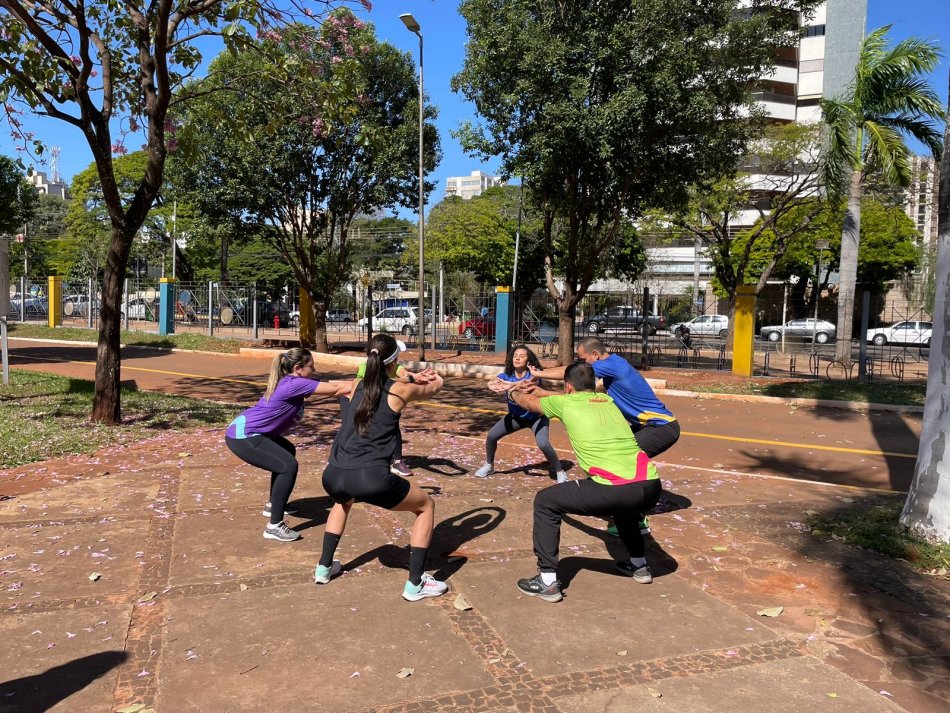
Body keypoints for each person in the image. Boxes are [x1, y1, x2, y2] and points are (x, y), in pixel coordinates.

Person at [507, 362, 662, 602]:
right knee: (625, 509)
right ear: (594, 384)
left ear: (568, 386)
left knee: (545, 501)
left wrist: (512, 391)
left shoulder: (565, 403)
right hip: (651, 485)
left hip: (614, 489)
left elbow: (529, 404)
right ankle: (639, 565)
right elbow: (565, 397)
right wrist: (535, 388)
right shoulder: (606, 400)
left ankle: (547, 581)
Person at [315, 334, 449, 602]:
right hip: (370, 477)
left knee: (343, 503)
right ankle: (415, 584)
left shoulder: (356, 386)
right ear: (394, 362)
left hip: (333, 474)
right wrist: (431, 377)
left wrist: (411, 379)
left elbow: (382, 385)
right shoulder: (399, 390)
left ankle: (324, 568)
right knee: (426, 507)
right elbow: (436, 387)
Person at [530, 336, 679, 534]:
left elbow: (568, 373)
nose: (582, 365)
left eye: (582, 359)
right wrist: (541, 392)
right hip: (649, 426)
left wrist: (537, 372)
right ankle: (630, 514)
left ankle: (636, 521)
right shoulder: (612, 366)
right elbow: (577, 398)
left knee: (624, 464)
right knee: (624, 467)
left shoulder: (610, 364)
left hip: (661, 427)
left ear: (595, 355)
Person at [225, 348, 353, 542]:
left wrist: (368, 381)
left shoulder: (295, 382)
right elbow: (337, 390)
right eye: (311, 366)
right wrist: (370, 383)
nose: (315, 369)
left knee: (287, 450)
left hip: (249, 431)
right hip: (243, 435)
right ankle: (274, 526)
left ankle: (273, 505)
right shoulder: (295, 384)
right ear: (298, 368)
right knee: (288, 466)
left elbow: (333, 384)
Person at [473, 344, 568, 483]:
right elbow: (492, 383)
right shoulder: (506, 376)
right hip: (515, 418)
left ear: (528, 361)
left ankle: (560, 471)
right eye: (515, 355)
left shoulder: (534, 375)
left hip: (537, 418)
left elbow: (525, 385)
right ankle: (489, 465)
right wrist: (495, 384)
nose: (517, 358)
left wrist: (508, 385)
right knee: (492, 436)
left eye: (521, 356)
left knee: (543, 444)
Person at [353, 360, 419, 477]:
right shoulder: (365, 367)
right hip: (365, 405)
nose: (396, 361)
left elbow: (404, 374)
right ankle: (350, 458)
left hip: (384, 403)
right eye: (395, 357)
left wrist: (415, 376)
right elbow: (371, 383)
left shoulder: (395, 367)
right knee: (360, 430)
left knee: (394, 428)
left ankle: (397, 462)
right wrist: (409, 379)